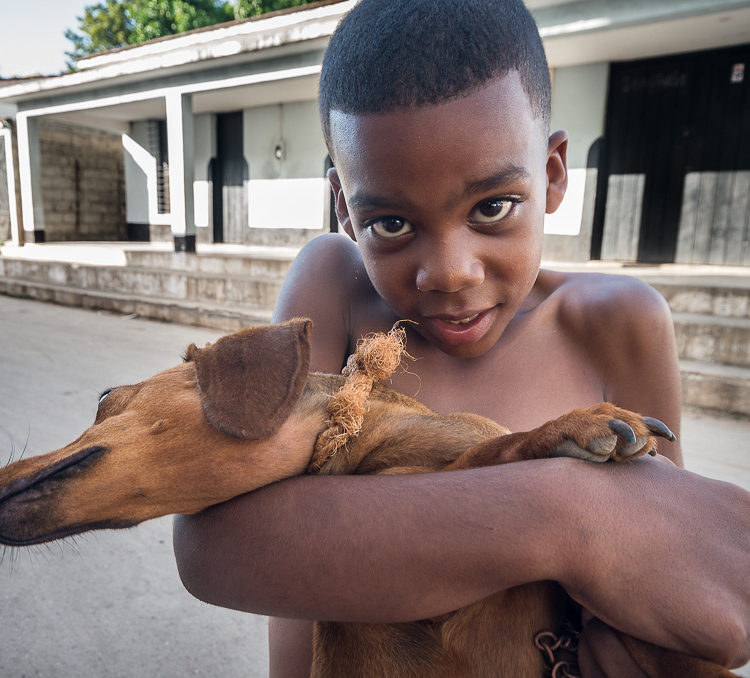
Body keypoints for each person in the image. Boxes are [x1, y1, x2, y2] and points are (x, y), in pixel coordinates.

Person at [173, 0, 750, 675]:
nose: (448, 272)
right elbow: (222, 543)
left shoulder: (616, 325)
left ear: (554, 173)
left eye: (493, 207)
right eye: (389, 223)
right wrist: (564, 511)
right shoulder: (334, 287)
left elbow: (664, 566)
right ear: (343, 209)